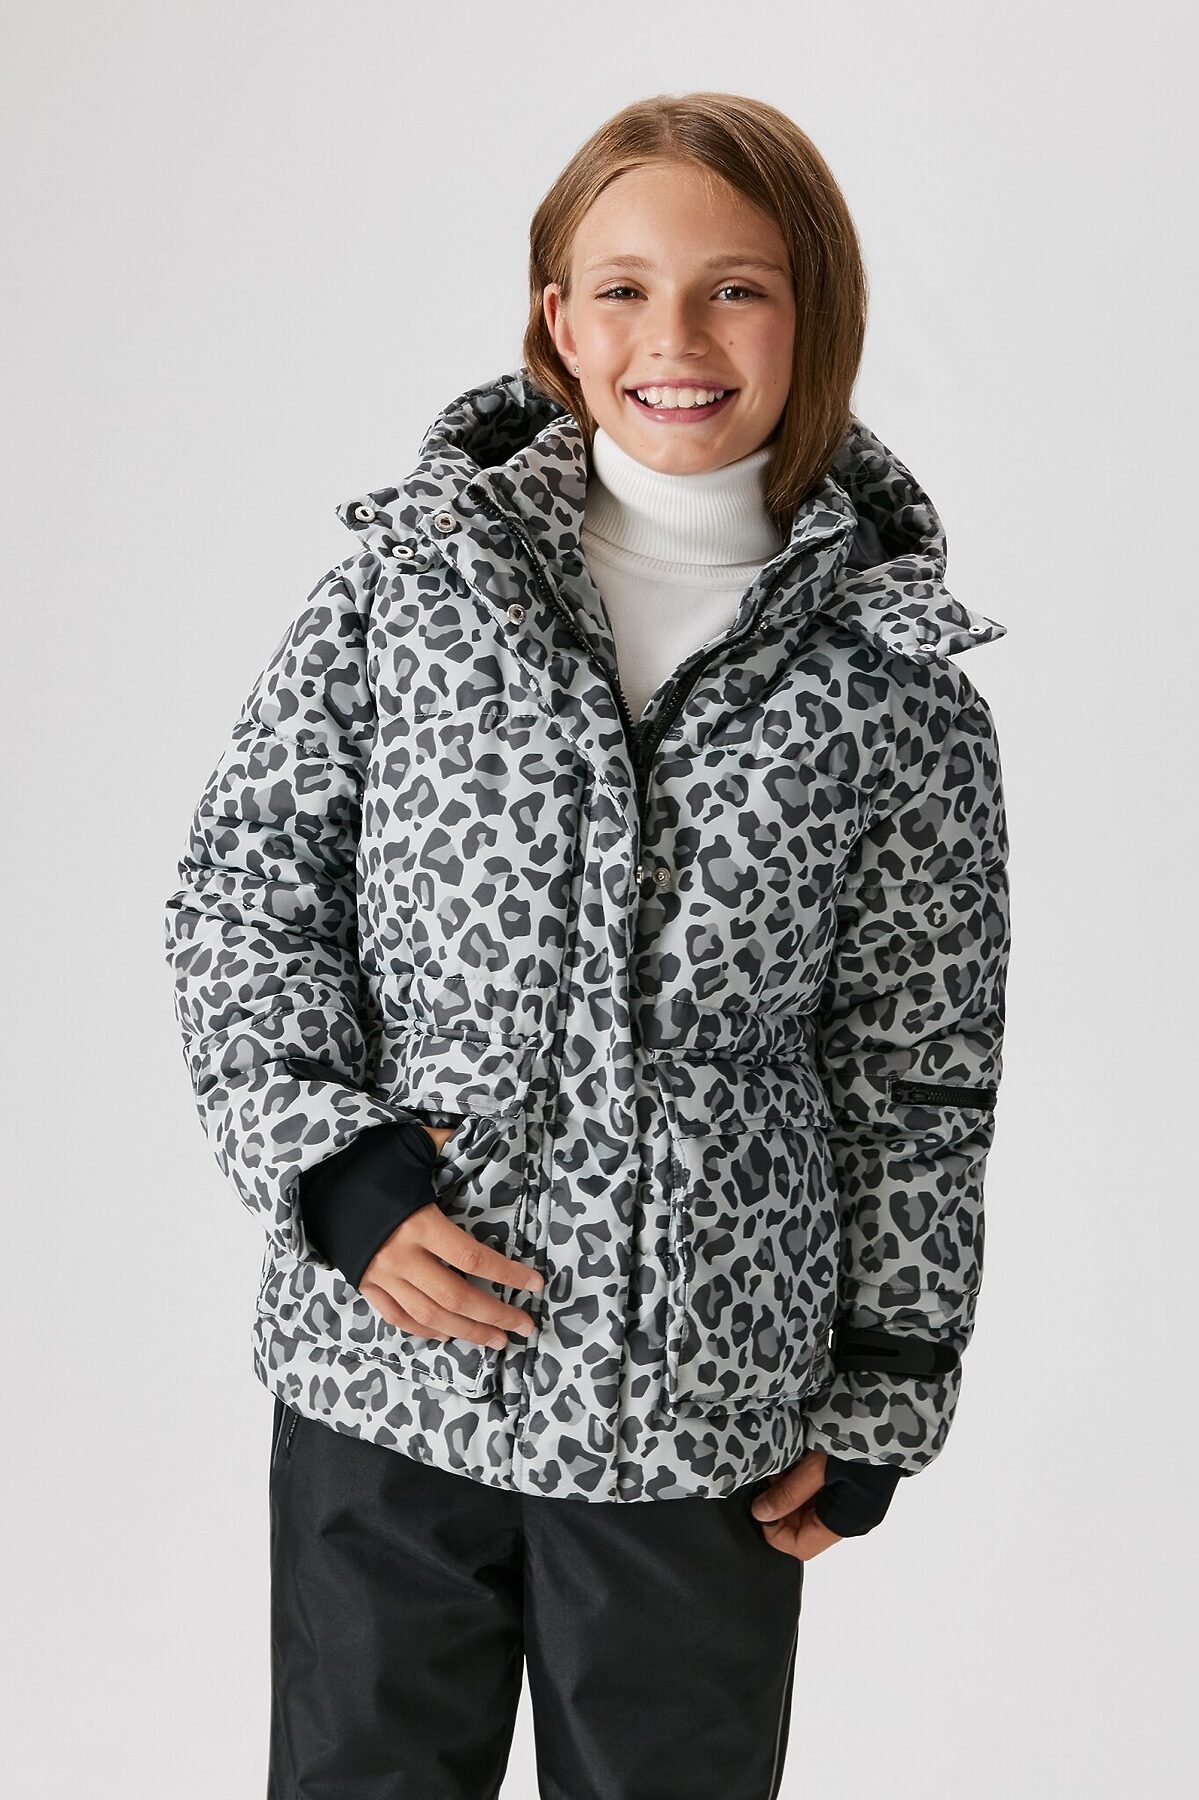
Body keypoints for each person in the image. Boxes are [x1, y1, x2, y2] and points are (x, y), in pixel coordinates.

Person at [164, 90, 1010, 1800]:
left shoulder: (898, 692)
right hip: (389, 1384)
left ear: (816, 317)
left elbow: (920, 1071)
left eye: (735, 289)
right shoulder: (405, 597)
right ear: (557, 320)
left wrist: (888, 1385)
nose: (674, 337)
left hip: (701, 1409)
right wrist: (334, 1173)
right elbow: (244, 897)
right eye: (623, 288)